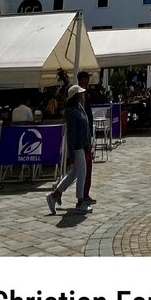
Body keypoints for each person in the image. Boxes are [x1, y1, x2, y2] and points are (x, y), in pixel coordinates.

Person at [46, 85, 93, 215]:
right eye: (80, 94)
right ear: (75, 96)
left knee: (74, 173)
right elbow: (71, 133)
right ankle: (80, 201)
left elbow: (86, 126)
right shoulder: (71, 111)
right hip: (77, 146)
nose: (82, 95)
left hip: (83, 145)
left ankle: (55, 194)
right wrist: (71, 153)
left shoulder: (79, 107)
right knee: (81, 173)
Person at [77, 70, 96, 206]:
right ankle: (83, 195)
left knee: (83, 168)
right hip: (83, 137)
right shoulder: (80, 95)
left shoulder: (85, 93)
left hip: (87, 134)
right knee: (84, 168)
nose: (88, 80)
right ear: (82, 79)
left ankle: (84, 193)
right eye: (87, 78)